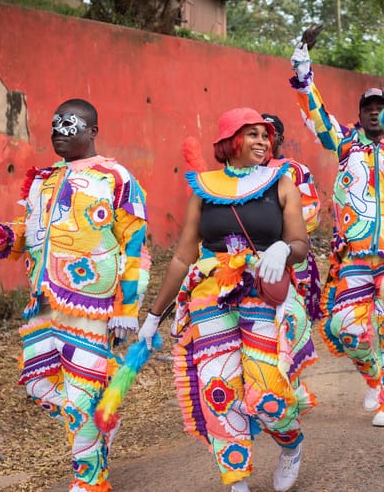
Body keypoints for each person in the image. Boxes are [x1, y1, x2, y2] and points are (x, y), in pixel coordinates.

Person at [0, 98, 150, 492]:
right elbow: (31, 233)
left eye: (71, 125)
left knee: (80, 400)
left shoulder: (116, 177)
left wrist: (129, 306)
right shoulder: (43, 179)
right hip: (42, 303)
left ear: (93, 131)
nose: (60, 133)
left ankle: (89, 481)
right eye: (55, 125)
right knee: (38, 385)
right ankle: (97, 417)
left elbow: (135, 244)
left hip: (93, 306)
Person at [138, 108, 316, 492]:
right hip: (209, 296)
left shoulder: (280, 182)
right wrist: (153, 316)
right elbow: (184, 257)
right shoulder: (203, 187)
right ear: (230, 141)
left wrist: (283, 249)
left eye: (265, 135)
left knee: (266, 389)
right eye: (252, 134)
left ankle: (291, 444)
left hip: (262, 294)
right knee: (217, 387)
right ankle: (237, 480)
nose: (262, 141)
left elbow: (302, 243)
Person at [289, 34, 384, 427]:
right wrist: (301, 67)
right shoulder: (345, 142)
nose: (375, 113)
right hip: (355, 257)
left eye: (382, 108)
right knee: (342, 327)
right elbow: (313, 112)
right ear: (359, 114)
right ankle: (375, 378)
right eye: (369, 108)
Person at [261, 113, 323, 322]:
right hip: (254, 255)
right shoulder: (243, 171)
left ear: (281, 139)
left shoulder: (295, 170)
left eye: (270, 133)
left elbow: (311, 212)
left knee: (292, 318)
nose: (264, 139)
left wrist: (278, 235)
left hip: (291, 255)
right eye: (258, 133)